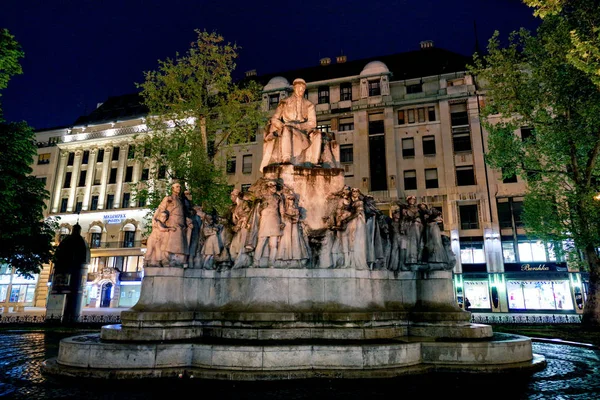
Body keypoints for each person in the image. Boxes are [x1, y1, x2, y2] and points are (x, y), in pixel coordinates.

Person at [260, 78, 322, 170]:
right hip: (288, 129)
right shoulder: (284, 102)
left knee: (318, 134)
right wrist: (282, 126)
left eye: (303, 88)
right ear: (294, 88)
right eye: (299, 87)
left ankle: (314, 162)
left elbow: (312, 123)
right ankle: (286, 158)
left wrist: (299, 125)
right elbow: (274, 119)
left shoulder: (309, 105)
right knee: (286, 130)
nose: (301, 90)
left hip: (303, 131)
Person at [155, 181, 189, 267]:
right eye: (177, 187)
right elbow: (161, 209)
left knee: (180, 242)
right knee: (171, 242)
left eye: (180, 187)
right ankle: (168, 259)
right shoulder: (168, 198)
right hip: (172, 221)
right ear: (172, 188)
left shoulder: (180, 200)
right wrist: (159, 219)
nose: (179, 188)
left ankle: (178, 259)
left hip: (181, 222)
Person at [253, 180, 285, 267]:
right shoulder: (262, 197)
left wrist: (282, 221)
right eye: (272, 186)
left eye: (275, 186)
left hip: (275, 220)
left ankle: (271, 262)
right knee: (261, 241)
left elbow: (281, 211)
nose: (274, 188)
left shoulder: (278, 197)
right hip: (265, 219)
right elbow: (257, 209)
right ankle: (256, 262)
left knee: (273, 244)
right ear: (268, 187)